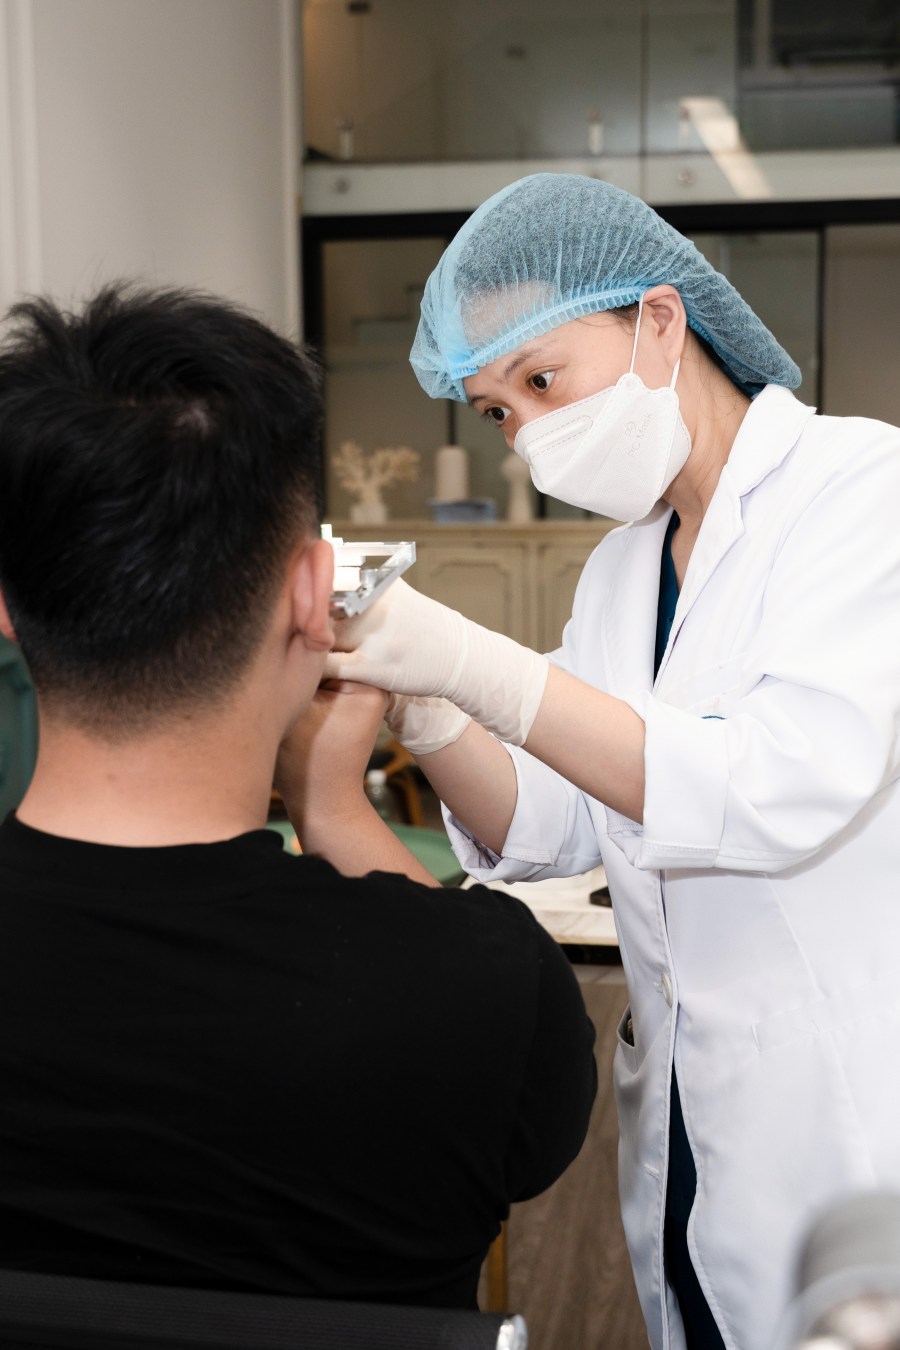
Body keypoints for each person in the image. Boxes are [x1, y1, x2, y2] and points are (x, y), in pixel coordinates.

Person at [327, 173, 900, 1350]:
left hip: (842, 1122)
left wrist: (475, 661)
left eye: (541, 381)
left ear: (660, 320)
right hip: (686, 1121)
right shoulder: (626, 567)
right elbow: (552, 819)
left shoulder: (861, 493)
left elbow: (773, 784)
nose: (530, 434)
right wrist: (429, 708)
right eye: (497, 412)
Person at [0, 282, 597, 1308]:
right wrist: (335, 809)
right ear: (315, 598)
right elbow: (534, 1141)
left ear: (8, 605)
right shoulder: (475, 988)